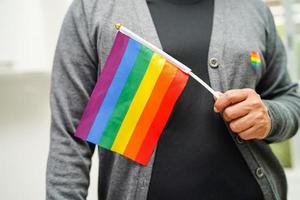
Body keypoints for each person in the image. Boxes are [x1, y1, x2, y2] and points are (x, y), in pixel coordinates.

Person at [46, 0, 300, 199]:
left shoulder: (253, 9)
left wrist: (269, 116)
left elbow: (290, 99)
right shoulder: (93, 8)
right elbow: (69, 137)